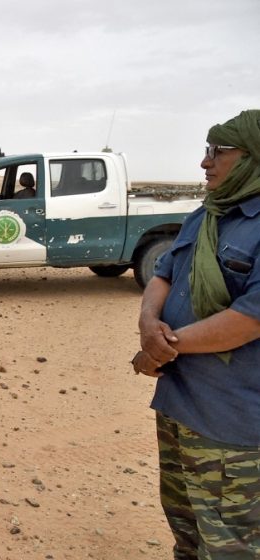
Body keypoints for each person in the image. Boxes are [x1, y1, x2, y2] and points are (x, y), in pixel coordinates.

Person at [132, 110, 260, 559]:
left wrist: (161, 349)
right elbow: (162, 276)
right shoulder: (204, 216)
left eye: (218, 152)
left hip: (232, 424)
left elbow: (248, 320)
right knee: (186, 533)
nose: (205, 162)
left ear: (252, 158)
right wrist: (149, 324)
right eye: (206, 151)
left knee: (231, 547)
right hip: (179, 408)